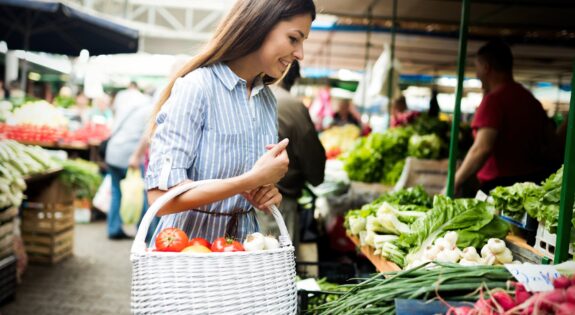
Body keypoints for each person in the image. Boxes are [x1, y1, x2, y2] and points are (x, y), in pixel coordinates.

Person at [145, 0, 316, 243]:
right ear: (261, 25)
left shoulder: (266, 100)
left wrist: (265, 194)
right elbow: (160, 198)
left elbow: (245, 186)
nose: (300, 54)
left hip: (241, 255)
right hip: (186, 254)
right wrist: (251, 180)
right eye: (293, 38)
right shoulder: (197, 87)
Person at [452, 40, 556, 194]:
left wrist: (455, 181)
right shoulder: (530, 100)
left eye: (477, 68)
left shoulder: (494, 101)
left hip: (500, 188)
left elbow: (481, 148)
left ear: (486, 68)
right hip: (532, 185)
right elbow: (550, 142)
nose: (476, 74)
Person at [256, 60, 326, 249]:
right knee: (274, 265)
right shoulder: (292, 105)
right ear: (292, 77)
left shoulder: (252, 95)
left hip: (244, 195)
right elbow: (313, 159)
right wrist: (316, 177)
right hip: (275, 201)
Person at [105, 83, 152, 239]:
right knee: (140, 192)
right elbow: (147, 135)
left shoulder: (122, 104)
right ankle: (143, 232)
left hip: (112, 151)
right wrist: (136, 156)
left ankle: (113, 229)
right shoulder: (148, 107)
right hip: (129, 155)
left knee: (116, 191)